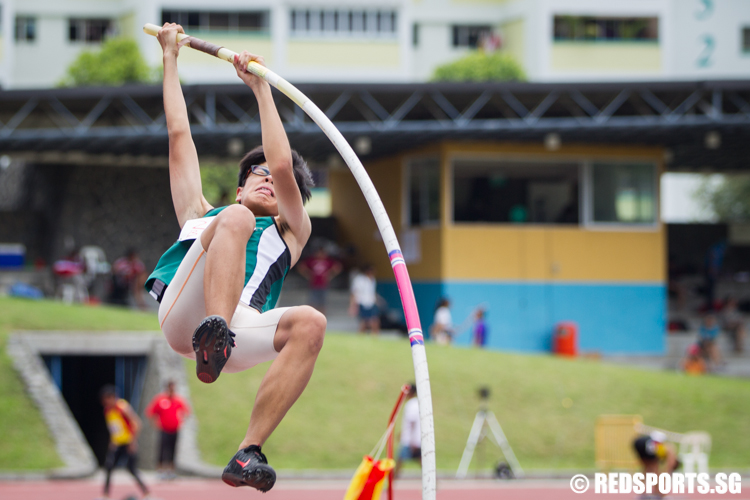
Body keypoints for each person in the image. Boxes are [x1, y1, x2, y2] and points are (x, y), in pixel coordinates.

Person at [145, 24, 325, 493]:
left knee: (312, 323)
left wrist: (261, 90)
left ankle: (248, 452)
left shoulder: (292, 231)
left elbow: (284, 166)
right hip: (187, 313)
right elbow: (178, 134)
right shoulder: (205, 213)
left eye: (275, 180)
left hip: (239, 330)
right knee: (235, 221)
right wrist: (170, 58)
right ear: (240, 184)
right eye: (255, 174)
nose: (267, 179)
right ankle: (214, 333)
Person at [100, 385, 149, 500]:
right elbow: (113, 428)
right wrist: (112, 441)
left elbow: (136, 423)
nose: (105, 402)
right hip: (117, 443)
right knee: (109, 467)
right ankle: (105, 495)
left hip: (128, 443)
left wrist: (133, 441)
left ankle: (146, 492)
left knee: (131, 469)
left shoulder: (122, 407)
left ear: (112, 397)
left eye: (107, 399)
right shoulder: (107, 410)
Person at [145, 381, 190, 479]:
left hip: (175, 429)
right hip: (164, 429)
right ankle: (160, 470)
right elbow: (151, 412)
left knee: (173, 449)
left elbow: (186, 411)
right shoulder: (160, 399)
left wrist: (182, 421)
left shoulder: (178, 400)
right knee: (162, 449)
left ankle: (171, 471)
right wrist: (154, 424)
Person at [632, 431, 679, 499]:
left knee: (647, 468)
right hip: (650, 444)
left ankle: (643, 493)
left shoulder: (665, 448)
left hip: (639, 442)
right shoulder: (670, 451)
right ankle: (660, 494)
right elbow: (668, 469)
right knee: (654, 470)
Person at [298, 246, 342, 314]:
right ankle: (311, 315)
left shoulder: (328, 261)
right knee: (312, 301)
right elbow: (301, 266)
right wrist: (308, 275)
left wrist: (330, 275)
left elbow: (338, 267)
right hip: (314, 284)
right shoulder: (312, 260)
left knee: (322, 302)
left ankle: (321, 315)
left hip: (323, 284)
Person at [394, 384, 421, 478]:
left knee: (399, 461)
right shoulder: (417, 403)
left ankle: (391, 483)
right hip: (413, 439)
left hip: (410, 440)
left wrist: (412, 439)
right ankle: (433, 481)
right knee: (422, 462)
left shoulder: (412, 405)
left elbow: (412, 422)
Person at [350, 264, 380, 333]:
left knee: (375, 320)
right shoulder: (359, 280)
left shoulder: (372, 279)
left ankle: (375, 336)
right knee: (363, 322)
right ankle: (360, 336)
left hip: (371, 302)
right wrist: (352, 305)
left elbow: (371, 292)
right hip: (362, 302)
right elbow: (354, 292)